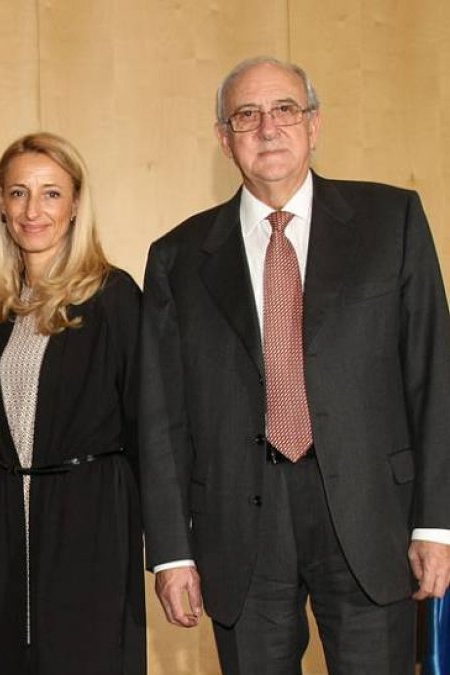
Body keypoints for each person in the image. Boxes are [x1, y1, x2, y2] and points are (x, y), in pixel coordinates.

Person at [140, 56, 450, 674]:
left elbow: (433, 378)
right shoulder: (177, 257)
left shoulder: (393, 222)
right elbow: (160, 417)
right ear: (223, 139)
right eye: (246, 115)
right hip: (239, 530)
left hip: (372, 520)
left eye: (285, 109)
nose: (267, 128)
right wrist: (172, 553)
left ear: (314, 124)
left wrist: (437, 527)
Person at [0, 132, 145, 674]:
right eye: (19, 192)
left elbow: (148, 425)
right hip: (9, 514)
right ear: (2, 204)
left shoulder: (114, 296)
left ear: (75, 206)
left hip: (91, 516)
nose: (33, 210)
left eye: (51, 193)